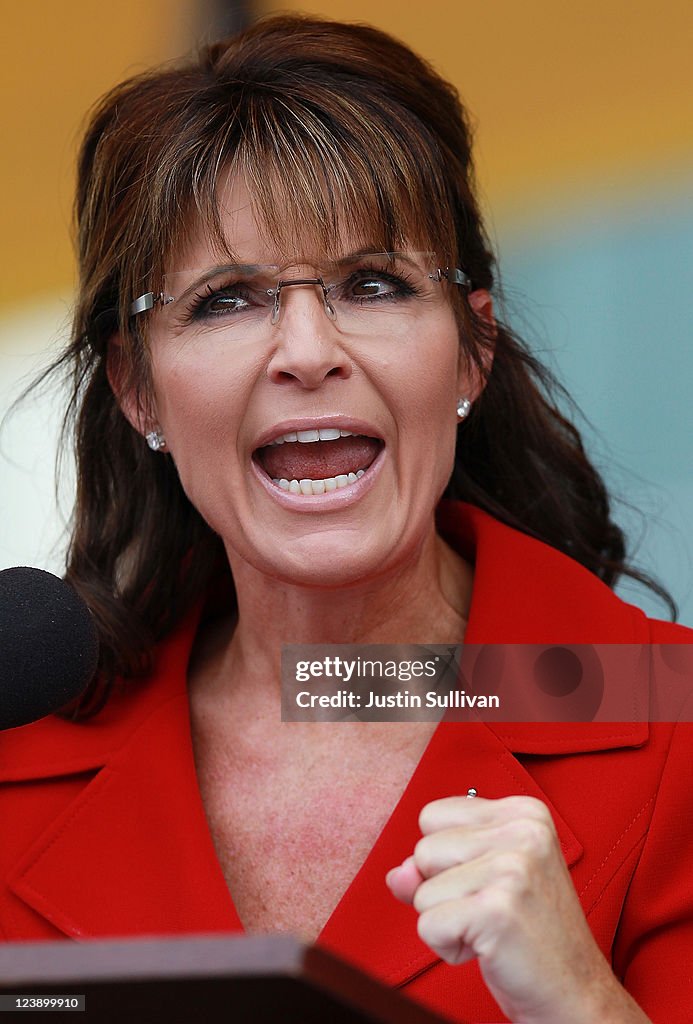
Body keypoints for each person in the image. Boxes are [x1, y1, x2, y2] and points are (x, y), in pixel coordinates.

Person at [0, 14, 690, 1024]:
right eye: (227, 299)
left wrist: (583, 1003)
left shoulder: (672, 717)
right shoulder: (21, 755)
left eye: (373, 284)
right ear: (136, 388)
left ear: (471, 351)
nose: (307, 351)